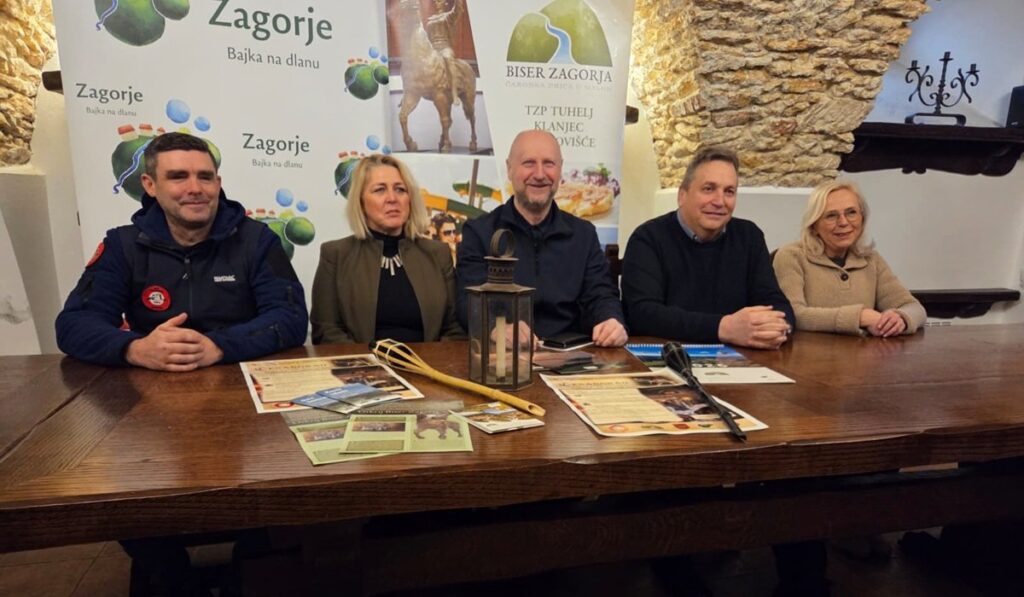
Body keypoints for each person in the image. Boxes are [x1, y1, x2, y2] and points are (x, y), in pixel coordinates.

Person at [55, 132, 308, 370]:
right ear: (150, 185)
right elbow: (74, 324)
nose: (195, 188)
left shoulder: (258, 239)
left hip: (236, 377)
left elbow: (291, 317)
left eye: (205, 177)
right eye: (178, 177)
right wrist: (135, 349)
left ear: (218, 183)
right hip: (150, 383)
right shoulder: (122, 245)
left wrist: (219, 346)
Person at [456, 129, 627, 347]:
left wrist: (611, 320)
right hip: (503, 356)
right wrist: (495, 328)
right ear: (509, 169)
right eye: (529, 163)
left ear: (560, 169)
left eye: (549, 163)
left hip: (572, 355)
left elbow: (601, 294)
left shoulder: (584, 234)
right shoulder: (479, 232)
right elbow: (467, 302)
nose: (539, 174)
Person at [622, 146, 794, 349]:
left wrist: (776, 327)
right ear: (682, 195)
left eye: (729, 192)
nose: (720, 201)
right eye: (708, 189)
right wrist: (722, 328)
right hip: (669, 356)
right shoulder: (648, 238)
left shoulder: (749, 236)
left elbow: (777, 304)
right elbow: (641, 314)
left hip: (741, 358)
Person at [311, 154, 463, 344]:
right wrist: (366, 362)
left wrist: (430, 361)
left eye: (400, 189)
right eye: (380, 190)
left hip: (427, 361)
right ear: (361, 201)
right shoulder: (335, 255)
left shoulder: (438, 253)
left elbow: (455, 328)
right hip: (361, 362)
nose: (392, 198)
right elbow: (326, 331)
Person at [773, 180, 926, 336]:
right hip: (810, 351)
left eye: (851, 212)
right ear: (814, 225)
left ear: (862, 219)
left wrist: (900, 318)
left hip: (864, 351)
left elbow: (914, 308)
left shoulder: (871, 259)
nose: (843, 222)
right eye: (831, 216)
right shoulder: (791, 256)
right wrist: (858, 317)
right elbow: (793, 314)